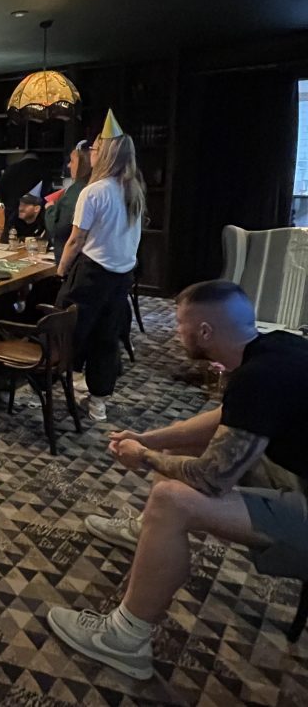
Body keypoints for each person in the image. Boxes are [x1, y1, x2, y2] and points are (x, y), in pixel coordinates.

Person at [47, 280, 308, 682]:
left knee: (173, 497)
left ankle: (125, 639)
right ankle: (149, 530)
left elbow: (210, 480)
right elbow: (228, 420)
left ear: (204, 332)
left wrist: (143, 457)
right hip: (296, 473)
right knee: (184, 458)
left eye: (180, 325)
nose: (175, 332)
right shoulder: (278, 348)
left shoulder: (256, 379)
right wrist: (153, 439)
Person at [56, 110, 144, 422]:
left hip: (92, 274)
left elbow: (76, 240)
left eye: (93, 148)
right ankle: (98, 401)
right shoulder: (133, 189)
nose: (89, 154)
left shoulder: (94, 191)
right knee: (107, 339)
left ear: (103, 153)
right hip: (122, 278)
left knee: (67, 332)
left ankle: (58, 386)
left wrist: (61, 270)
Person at [46, 140, 92, 263]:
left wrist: (50, 209)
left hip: (75, 261)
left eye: (72, 161)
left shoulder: (77, 191)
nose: (68, 166)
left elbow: (59, 228)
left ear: (83, 164)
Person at [0, 151, 44, 236]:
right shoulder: (43, 169)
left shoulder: (10, 169)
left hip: (11, 214)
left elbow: (0, 190)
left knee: (11, 240)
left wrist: (9, 205)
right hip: (36, 218)